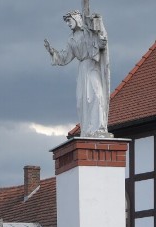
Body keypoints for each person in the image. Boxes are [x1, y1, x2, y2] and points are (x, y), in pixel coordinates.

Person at [44, 7, 110, 137]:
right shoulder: (71, 39)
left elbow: (101, 44)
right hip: (82, 69)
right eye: (67, 22)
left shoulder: (89, 33)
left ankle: (99, 128)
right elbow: (64, 57)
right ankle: (87, 130)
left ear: (77, 19)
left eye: (70, 20)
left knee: (95, 95)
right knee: (82, 100)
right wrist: (52, 51)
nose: (68, 24)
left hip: (92, 65)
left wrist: (101, 35)